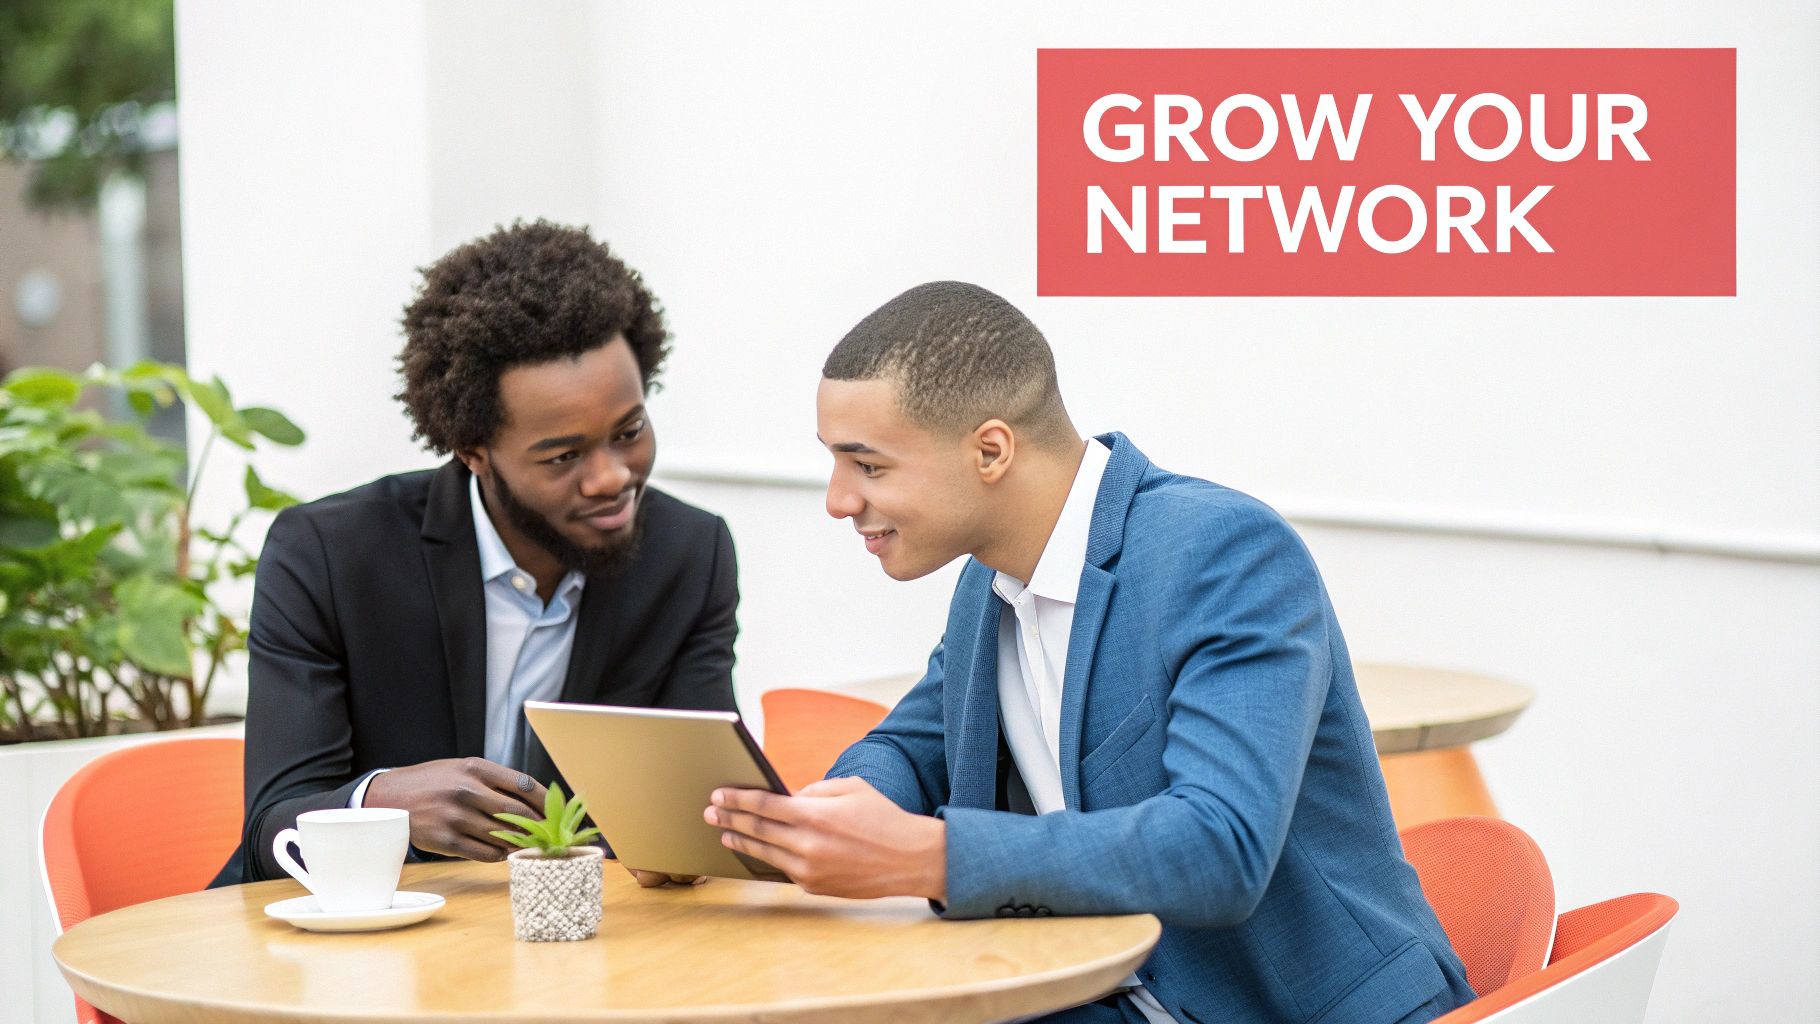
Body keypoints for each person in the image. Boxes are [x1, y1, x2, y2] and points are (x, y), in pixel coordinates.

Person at [705, 282, 1474, 1023]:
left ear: (992, 450)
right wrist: (801, 825)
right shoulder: (989, 584)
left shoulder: (1224, 554)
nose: (839, 499)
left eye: (868, 465)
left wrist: (928, 857)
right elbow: (911, 748)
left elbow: (1220, 847)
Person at [214, 221, 736, 887]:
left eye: (629, 432)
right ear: (472, 450)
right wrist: (382, 803)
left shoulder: (688, 556)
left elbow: (699, 810)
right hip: (350, 952)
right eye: (564, 455)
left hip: (571, 953)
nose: (611, 477)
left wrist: (690, 836)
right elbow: (272, 831)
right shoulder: (331, 557)